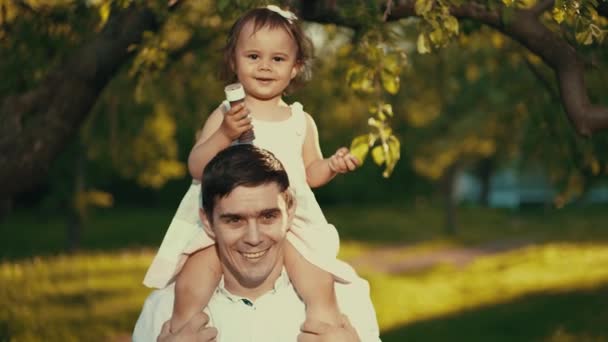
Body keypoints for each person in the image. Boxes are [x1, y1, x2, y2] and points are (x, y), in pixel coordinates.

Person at [142, 4, 361, 334]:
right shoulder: (228, 113)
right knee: (194, 276)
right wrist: (225, 134)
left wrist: (331, 165)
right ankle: (185, 327)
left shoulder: (301, 120)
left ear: (295, 67)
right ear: (234, 60)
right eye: (253, 56)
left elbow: (310, 174)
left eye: (278, 59)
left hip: (292, 216)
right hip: (231, 214)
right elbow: (197, 166)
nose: (265, 67)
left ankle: (323, 326)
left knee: (318, 279)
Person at [133, 145, 380, 341]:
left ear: (290, 210)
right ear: (207, 221)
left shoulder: (346, 301)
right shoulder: (165, 311)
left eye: (268, 216)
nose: (254, 238)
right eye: (235, 220)